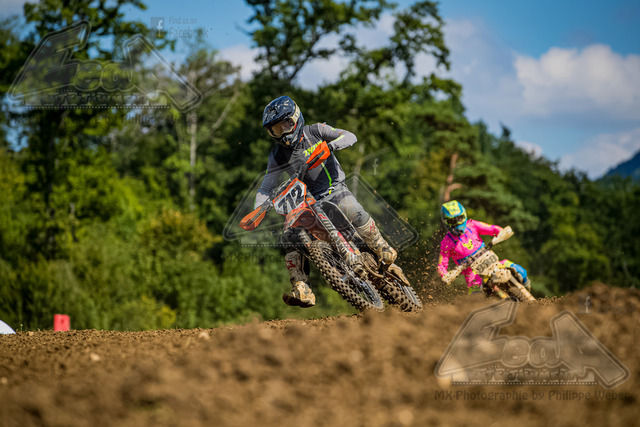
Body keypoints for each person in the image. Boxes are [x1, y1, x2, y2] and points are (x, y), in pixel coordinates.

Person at [255, 95, 397, 308]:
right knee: (289, 233)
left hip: (333, 190)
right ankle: (301, 286)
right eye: (276, 129)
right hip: (306, 201)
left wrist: (330, 146)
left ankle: (380, 245)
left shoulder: (315, 131)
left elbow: (349, 136)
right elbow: (265, 187)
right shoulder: (277, 156)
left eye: (286, 124)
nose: (283, 132)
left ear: (296, 118)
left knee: (350, 206)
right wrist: (258, 208)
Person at [437, 200, 531, 296]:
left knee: (520, 271)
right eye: (453, 221)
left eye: (459, 218)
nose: (457, 223)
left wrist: (501, 232)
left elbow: (491, 228)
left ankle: (528, 288)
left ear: (464, 215)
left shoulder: (472, 225)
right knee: (475, 295)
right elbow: (442, 265)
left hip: (492, 262)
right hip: (472, 273)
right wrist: (445, 275)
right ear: (446, 222)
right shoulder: (446, 242)